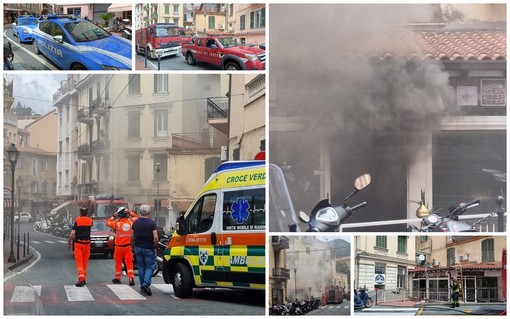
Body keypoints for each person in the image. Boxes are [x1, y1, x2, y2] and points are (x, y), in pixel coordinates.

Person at [106, 207, 138, 286]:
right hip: (128, 247)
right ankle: (131, 278)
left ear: (119, 215)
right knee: (129, 263)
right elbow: (137, 218)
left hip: (118, 247)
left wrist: (113, 215)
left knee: (118, 263)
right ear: (126, 215)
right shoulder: (131, 222)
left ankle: (117, 278)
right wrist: (130, 212)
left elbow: (107, 222)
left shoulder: (117, 223)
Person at [132, 204, 158, 295]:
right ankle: (146, 284)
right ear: (149, 213)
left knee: (141, 268)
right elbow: (155, 237)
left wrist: (132, 248)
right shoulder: (152, 223)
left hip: (138, 247)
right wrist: (155, 247)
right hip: (148, 247)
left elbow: (132, 236)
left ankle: (142, 287)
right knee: (150, 266)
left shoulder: (135, 223)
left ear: (140, 212)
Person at [67, 206, 93, 287]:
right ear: (87, 212)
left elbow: (72, 233)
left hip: (78, 244)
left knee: (79, 263)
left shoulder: (77, 220)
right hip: (87, 244)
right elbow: (90, 226)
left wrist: (69, 243)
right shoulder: (90, 220)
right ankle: (84, 278)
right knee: (85, 262)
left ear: (80, 212)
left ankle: (81, 279)